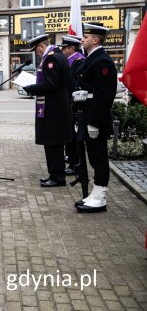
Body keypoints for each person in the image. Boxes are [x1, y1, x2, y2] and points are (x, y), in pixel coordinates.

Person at [73, 23, 118, 213]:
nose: (82, 39)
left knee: (98, 158)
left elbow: (104, 95)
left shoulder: (102, 61)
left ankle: (100, 197)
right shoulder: (91, 59)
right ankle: (95, 194)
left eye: (86, 36)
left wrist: (94, 122)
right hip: (87, 115)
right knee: (93, 156)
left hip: (95, 118)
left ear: (95, 40)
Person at [23, 34, 72, 188]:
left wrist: (31, 88)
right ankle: (56, 175)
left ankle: (57, 177)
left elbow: (51, 85)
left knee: (53, 143)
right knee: (54, 143)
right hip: (58, 107)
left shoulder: (51, 59)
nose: (37, 53)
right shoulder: (58, 55)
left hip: (53, 108)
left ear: (42, 46)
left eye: (37, 50)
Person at [58, 35, 86, 175]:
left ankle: (75, 164)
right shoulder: (69, 61)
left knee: (74, 137)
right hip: (68, 103)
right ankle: (71, 159)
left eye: (64, 47)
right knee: (69, 135)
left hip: (74, 104)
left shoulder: (78, 61)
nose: (62, 50)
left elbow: (76, 84)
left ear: (72, 48)